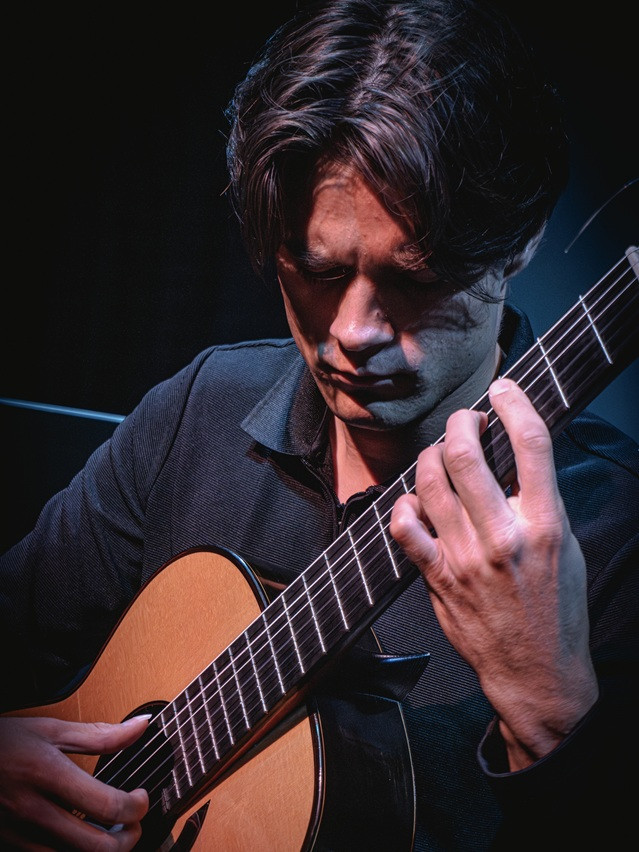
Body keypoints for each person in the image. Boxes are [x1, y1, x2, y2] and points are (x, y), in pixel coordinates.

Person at [1, 0, 637, 848]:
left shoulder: (617, 534)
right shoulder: (201, 408)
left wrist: (549, 710)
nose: (352, 332)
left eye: (414, 278)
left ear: (518, 240)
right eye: (316, 269)